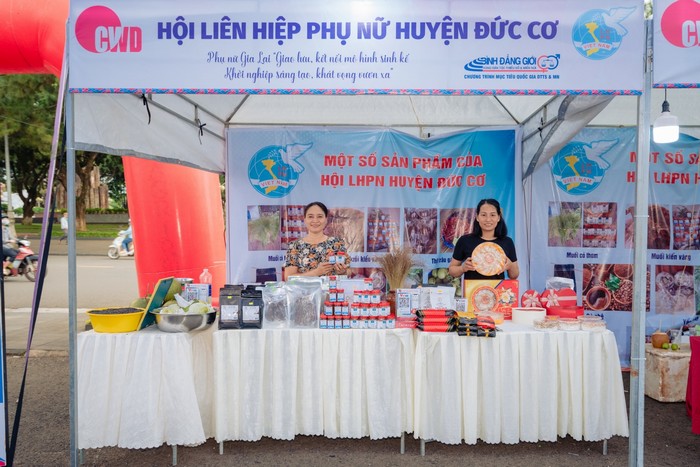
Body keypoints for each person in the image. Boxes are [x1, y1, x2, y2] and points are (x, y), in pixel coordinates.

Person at [448, 198, 519, 280]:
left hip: (498, 288)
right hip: (472, 288)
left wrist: (510, 265)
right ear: (477, 217)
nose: (488, 219)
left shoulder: (507, 242)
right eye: (483, 215)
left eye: (492, 215)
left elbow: (514, 275)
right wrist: (462, 268)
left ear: (499, 217)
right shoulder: (465, 241)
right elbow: (452, 270)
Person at [284, 201, 349, 278]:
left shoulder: (337, 243)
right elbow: (288, 278)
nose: (315, 220)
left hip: (331, 286)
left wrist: (343, 272)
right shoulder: (294, 246)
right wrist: (316, 272)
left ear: (326, 219)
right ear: (305, 220)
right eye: (310, 216)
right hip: (305, 286)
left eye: (320, 216)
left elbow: (349, 271)